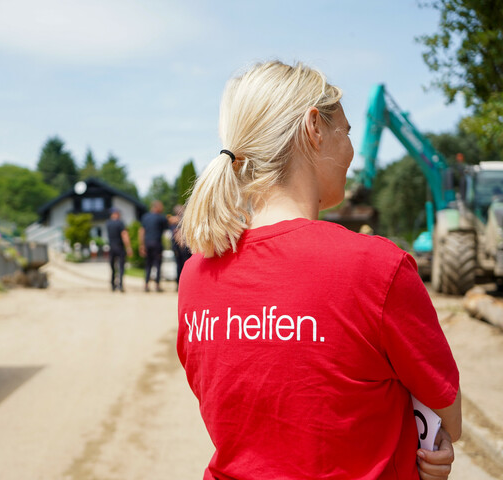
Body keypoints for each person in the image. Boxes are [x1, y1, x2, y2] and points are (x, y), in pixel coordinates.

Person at [178, 61, 461, 480]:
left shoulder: (195, 276)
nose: (350, 151)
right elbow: (446, 419)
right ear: (314, 128)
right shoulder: (378, 267)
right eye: (345, 131)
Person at [139, 200, 169, 292]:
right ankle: (157, 285)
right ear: (156, 207)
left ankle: (146, 285)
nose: (162, 209)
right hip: (157, 244)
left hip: (147, 243)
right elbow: (166, 229)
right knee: (157, 265)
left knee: (148, 264)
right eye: (161, 207)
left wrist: (142, 245)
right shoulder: (161, 218)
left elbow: (141, 231)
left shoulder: (145, 217)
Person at [105, 207, 132, 292]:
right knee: (121, 267)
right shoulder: (120, 223)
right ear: (116, 214)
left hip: (111, 247)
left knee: (113, 267)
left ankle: (113, 285)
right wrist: (128, 247)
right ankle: (120, 285)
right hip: (119, 247)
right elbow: (124, 235)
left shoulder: (108, 223)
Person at [169, 204, 192, 290]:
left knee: (181, 266)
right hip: (181, 248)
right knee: (180, 266)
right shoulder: (176, 223)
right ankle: (181, 284)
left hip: (182, 248)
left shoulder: (181, 221)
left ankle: (182, 284)